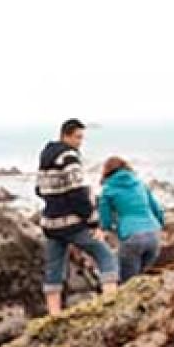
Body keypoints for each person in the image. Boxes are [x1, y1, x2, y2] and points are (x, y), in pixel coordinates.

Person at [36, 118, 118, 315]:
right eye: (77, 137)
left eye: (82, 137)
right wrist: (93, 220)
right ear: (66, 135)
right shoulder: (69, 157)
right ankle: (111, 304)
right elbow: (77, 193)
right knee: (106, 256)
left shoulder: (46, 156)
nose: (80, 142)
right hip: (72, 223)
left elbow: (39, 189)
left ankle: (54, 314)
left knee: (53, 269)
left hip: (50, 223)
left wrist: (55, 199)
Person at [97, 156, 165, 282]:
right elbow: (157, 210)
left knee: (128, 283)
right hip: (154, 236)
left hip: (132, 238)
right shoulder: (140, 184)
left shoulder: (107, 190)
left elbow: (105, 221)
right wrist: (160, 226)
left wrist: (115, 230)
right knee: (140, 280)